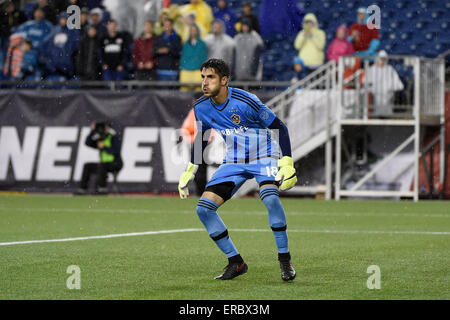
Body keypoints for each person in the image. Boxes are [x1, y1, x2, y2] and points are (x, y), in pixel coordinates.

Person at [178, 58, 298, 281]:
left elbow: (279, 127)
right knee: (204, 209)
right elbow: (202, 138)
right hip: (233, 161)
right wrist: (191, 169)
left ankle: (284, 260)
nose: (204, 82)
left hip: (264, 155)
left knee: (270, 198)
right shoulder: (201, 107)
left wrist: (287, 161)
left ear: (224, 80)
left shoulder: (245, 100)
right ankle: (236, 262)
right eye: (203, 77)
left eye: (210, 77)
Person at [76, 121, 123, 195]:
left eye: (105, 127)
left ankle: (102, 188)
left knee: (102, 166)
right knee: (88, 166)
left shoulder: (113, 137)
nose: (103, 129)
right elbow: (88, 143)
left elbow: (116, 151)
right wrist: (93, 131)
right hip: (104, 164)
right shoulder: (100, 138)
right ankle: (83, 189)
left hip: (115, 163)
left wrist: (104, 147)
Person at [40, 12, 79, 80]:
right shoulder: (55, 30)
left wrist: (67, 54)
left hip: (66, 62)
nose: (62, 21)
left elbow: (74, 46)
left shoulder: (72, 31)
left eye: (64, 19)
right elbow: (46, 44)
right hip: (54, 62)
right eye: (61, 19)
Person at [364, 50, 404, 117]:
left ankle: (386, 116)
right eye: (381, 59)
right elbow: (365, 81)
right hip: (375, 93)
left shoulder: (390, 69)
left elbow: (397, 82)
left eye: (384, 59)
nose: (382, 61)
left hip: (387, 93)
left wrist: (390, 87)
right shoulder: (371, 69)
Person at [180, 23, 208, 91]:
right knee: (184, 91)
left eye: (195, 30)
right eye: (192, 30)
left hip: (197, 71)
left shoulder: (202, 44)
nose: (193, 32)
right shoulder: (186, 44)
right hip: (186, 72)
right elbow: (184, 57)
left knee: (198, 92)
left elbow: (203, 57)